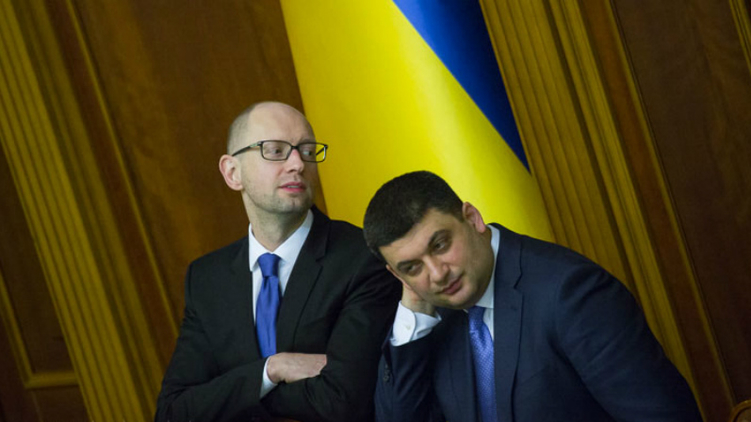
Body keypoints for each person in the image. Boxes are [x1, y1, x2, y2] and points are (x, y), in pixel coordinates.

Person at [362, 170, 703, 422]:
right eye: (412, 267)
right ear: (398, 276)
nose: (437, 274)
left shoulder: (570, 292)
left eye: (440, 245)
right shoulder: (435, 320)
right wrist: (414, 311)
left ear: (472, 218)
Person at [154, 102, 400, 422]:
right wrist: (272, 369)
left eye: (307, 151)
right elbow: (173, 412)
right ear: (232, 172)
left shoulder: (362, 258)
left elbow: (342, 400)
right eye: (275, 151)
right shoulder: (207, 279)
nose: (297, 164)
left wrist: (230, 398)